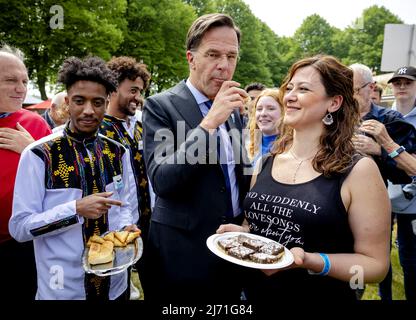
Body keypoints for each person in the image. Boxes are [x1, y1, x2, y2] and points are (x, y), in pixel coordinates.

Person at [217, 55, 391, 301]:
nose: (289, 96)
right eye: (289, 88)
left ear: (334, 102)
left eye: (303, 89)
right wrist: (242, 234)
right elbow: (258, 226)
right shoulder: (267, 162)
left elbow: (375, 267)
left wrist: (310, 261)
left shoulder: (359, 170)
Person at [142, 13, 251, 301]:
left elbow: (241, 173)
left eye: (231, 56)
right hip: (182, 253)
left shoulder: (233, 109)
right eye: (213, 54)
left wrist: (248, 221)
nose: (224, 66)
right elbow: (163, 180)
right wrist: (209, 124)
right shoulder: (161, 106)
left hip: (232, 245)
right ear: (191, 58)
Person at [9, 56, 137, 300]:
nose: (88, 110)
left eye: (97, 102)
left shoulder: (118, 151)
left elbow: (127, 205)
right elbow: (20, 228)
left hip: (115, 286)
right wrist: (75, 209)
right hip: (64, 290)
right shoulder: (38, 155)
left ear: (106, 103)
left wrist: (126, 228)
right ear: (68, 102)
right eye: (80, 101)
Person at [350, 63, 416, 300]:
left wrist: (380, 150)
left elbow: (406, 171)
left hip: (380, 204)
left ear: (370, 88)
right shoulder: (335, 118)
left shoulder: (390, 120)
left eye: (355, 90)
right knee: (350, 258)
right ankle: (355, 292)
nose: (350, 96)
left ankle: (384, 295)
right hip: (342, 201)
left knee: (380, 255)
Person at [0, 44, 51, 300]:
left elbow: (63, 183)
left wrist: (32, 151)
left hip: (20, 246)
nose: (21, 88)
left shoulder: (35, 123)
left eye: (24, 81)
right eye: (11, 80)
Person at [100, 55, 151, 298]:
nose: (138, 97)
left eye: (140, 91)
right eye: (132, 90)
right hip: (115, 222)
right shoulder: (99, 128)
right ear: (113, 87)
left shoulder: (143, 126)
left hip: (149, 221)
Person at [384, 66, 416, 301]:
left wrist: (385, 146)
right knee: (385, 256)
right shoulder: (385, 116)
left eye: (408, 82)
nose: (402, 87)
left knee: (411, 259)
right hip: (387, 198)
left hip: (413, 204)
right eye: (397, 83)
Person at [246, 88, 281, 164]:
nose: (263, 114)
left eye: (271, 109)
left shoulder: (291, 148)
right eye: (259, 109)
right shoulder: (249, 145)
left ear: (284, 112)